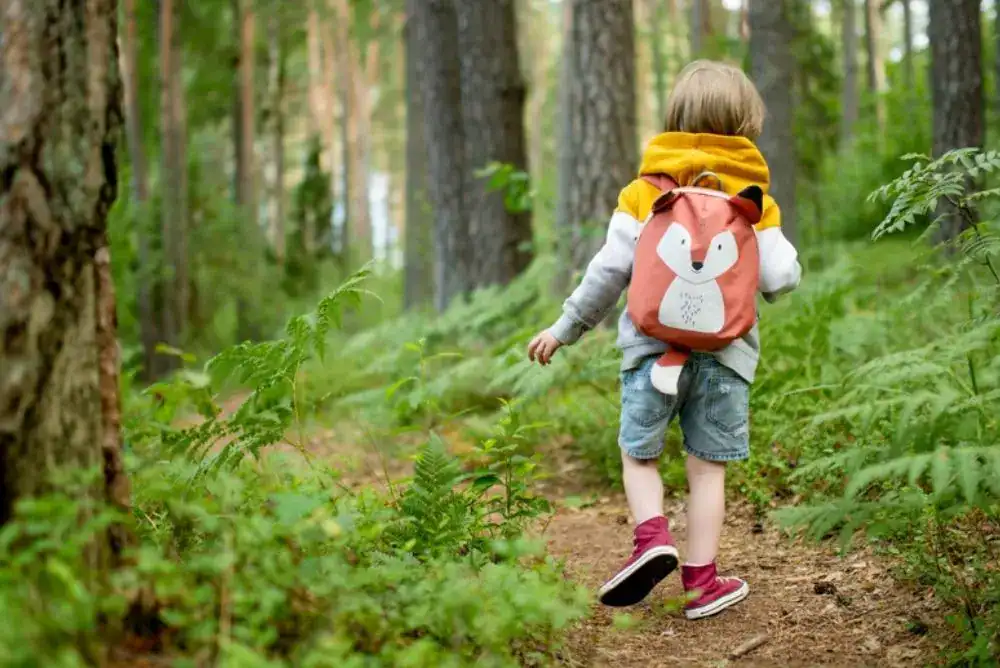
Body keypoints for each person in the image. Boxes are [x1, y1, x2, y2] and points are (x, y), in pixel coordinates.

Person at [527, 60, 801, 620]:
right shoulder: (754, 201)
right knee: (707, 468)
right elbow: (779, 280)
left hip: (650, 354)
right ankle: (702, 584)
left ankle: (652, 538)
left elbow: (607, 273)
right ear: (746, 125)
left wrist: (564, 329)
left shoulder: (643, 193)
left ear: (675, 119)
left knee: (639, 455)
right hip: (726, 358)